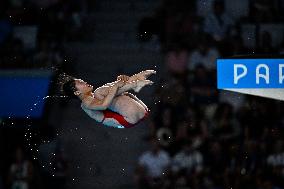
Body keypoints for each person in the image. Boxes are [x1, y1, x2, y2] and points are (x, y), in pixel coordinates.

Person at [61, 70, 156, 128]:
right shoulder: (85, 103)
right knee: (100, 92)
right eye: (81, 83)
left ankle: (135, 81)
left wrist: (119, 81)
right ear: (77, 92)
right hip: (126, 119)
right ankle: (135, 82)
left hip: (137, 113)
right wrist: (116, 86)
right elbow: (103, 105)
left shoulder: (95, 95)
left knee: (104, 90)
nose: (85, 82)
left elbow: (114, 92)